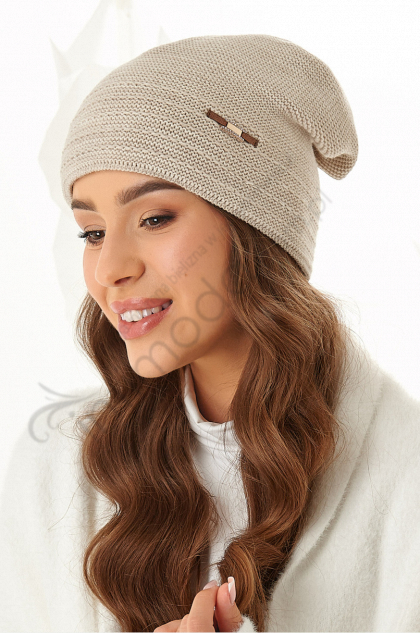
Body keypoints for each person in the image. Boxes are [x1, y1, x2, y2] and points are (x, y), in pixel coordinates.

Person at [1, 33, 420, 633]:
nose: (110, 268)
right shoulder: (55, 466)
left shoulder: (406, 478)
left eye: (154, 218)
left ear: (258, 232)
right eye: (92, 232)